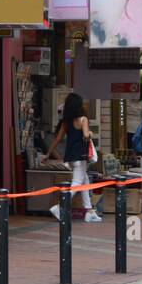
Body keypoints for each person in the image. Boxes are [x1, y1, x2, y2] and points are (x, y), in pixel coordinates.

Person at [44, 92, 101, 223]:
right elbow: (86, 136)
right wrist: (90, 133)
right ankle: (59, 207)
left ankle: (89, 211)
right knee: (76, 183)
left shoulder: (66, 122)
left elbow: (57, 139)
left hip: (70, 157)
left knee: (85, 181)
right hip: (80, 157)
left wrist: (47, 154)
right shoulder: (83, 120)